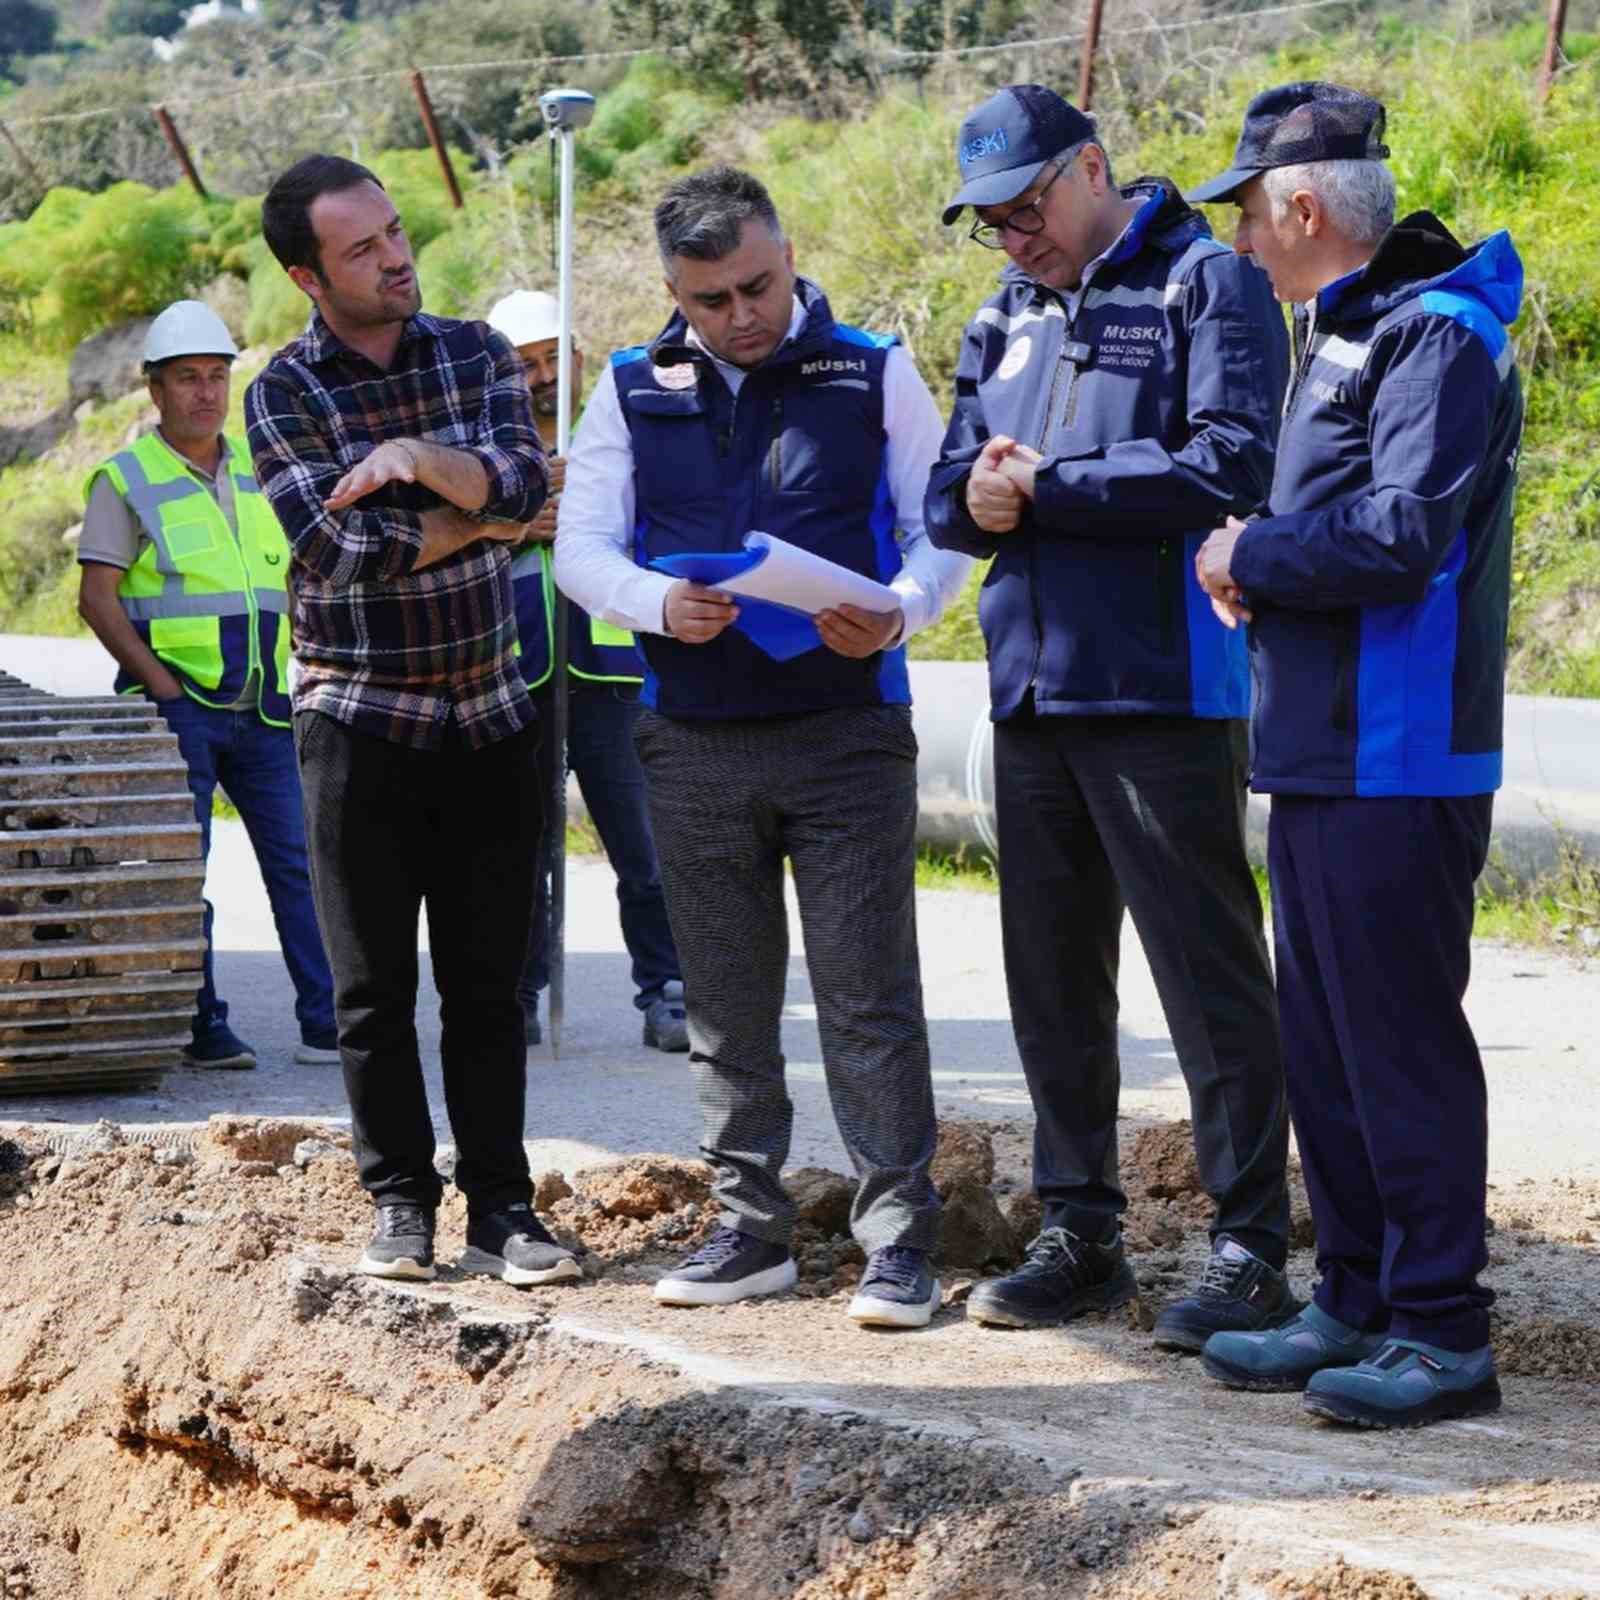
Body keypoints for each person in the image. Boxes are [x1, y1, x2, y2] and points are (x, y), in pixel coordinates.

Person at [555, 166, 972, 1329]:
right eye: (709, 300)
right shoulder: (631, 386)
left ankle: (898, 1238)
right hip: (691, 736)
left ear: (788, 252)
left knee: (865, 993)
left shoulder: (875, 368)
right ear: (672, 293)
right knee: (726, 1002)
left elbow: (942, 528)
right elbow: (580, 548)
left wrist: (900, 607)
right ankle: (748, 1226)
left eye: (758, 285)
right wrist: (651, 602)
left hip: (846, 732)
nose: (741, 315)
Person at [924, 85, 1297, 1351]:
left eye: (1026, 207)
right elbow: (942, 498)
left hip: (1161, 690)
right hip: (1030, 690)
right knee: (1053, 984)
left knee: (1208, 978)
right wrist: (980, 494)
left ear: (1091, 168)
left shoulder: (1207, 283)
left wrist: (1051, 488)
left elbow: (1231, 463)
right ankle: (1078, 1229)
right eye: (990, 220)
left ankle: (1251, 1245)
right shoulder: (1005, 311)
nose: (1013, 235)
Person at [1189, 83, 1523, 1428]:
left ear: (1303, 207)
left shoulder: (1435, 336)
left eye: (1249, 219)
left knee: (1395, 1045)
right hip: (1323, 751)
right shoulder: (1344, 331)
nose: (1243, 247)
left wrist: (1245, 553)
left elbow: (1400, 536)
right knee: (1324, 1046)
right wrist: (1259, 566)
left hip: (1399, 753)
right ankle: (1359, 1298)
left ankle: (1443, 1332)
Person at [245, 154, 579, 1289]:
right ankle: (399, 1204)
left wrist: (419, 464)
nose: (395, 258)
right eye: (361, 248)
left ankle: (504, 1208)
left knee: (491, 983)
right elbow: (340, 555)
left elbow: (530, 480)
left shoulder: (476, 349)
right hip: (358, 720)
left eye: (395, 233)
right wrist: (482, 519)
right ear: (307, 274)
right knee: (373, 990)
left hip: (491, 709)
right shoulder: (284, 392)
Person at [77, 299, 337, 1072]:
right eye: (187, 378)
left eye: (217, 376)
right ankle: (203, 1023)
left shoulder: (262, 474)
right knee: (181, 871)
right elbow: (97, 597)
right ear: (154, 389)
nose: (204, 392)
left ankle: (328, 1022)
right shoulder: (126, 478)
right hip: (177, 709)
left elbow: (295, 582)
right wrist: (162, 688)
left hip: (263, 707)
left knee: (302, 862)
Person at [484, 290, 687, 1053]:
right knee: (517, 849)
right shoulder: (479, 448)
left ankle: (668, 992)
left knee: (645, 843)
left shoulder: (617, 431)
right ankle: (519, 993)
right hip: (516, 673)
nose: (539, 376)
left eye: (549, 359)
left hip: (608, 670)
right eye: (522, 364)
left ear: (575, 357)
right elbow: (446, 548)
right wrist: (515, 527)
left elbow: (663, 524)